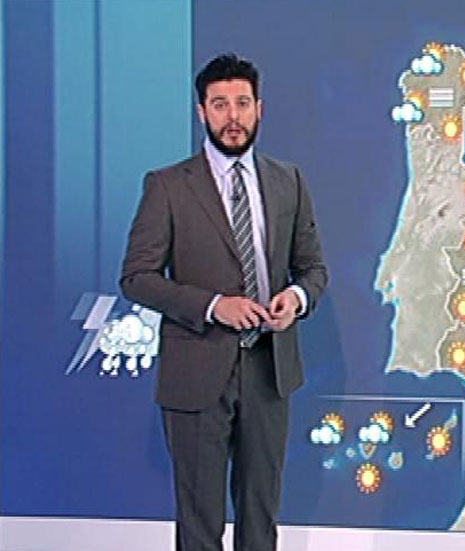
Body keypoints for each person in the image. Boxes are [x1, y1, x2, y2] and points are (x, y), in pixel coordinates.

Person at [120, 53, 327, 551]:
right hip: (197, 371)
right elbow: (137, 278)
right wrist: (214, 305)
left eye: (242, 103)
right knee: (199, 522)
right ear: (202, 112)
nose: (233, 117)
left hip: (268, 372)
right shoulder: (168, 186)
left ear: (259, 108)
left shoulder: (289, 181)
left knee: (260, 517)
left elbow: (313, 270)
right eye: (220, 105)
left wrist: (295, 299)